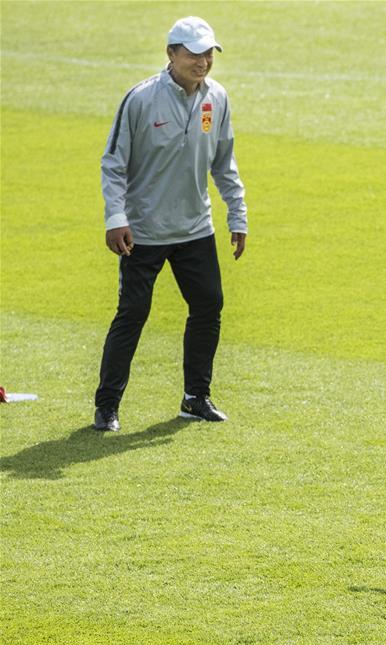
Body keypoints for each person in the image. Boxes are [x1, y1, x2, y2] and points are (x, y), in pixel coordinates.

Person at [93, 16, 248, 432]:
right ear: (171, 54)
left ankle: (195, 398)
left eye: (208, 54)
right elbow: (114, 164)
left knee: (208, 307)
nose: (202, 62)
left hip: (195, 228)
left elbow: (224, 161)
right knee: (133, 314)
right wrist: (116, 217)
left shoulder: (217, 98)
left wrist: (237, 213)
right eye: (194, 53)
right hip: (142, 232)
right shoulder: (141, 100)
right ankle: (107, 406)